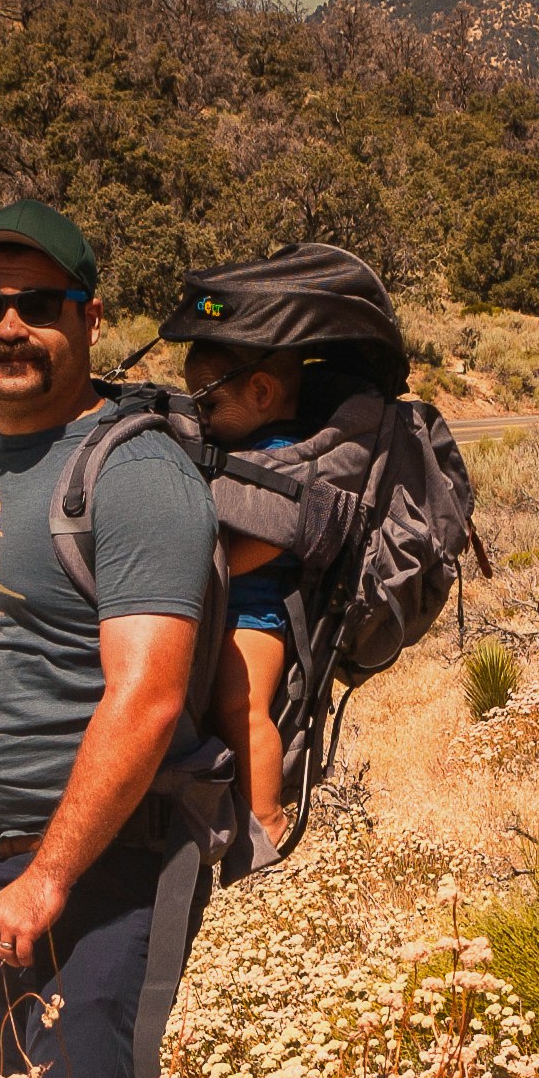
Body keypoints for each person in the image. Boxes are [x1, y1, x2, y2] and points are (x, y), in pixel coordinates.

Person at [0, 199, 218, 1078]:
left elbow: (149, 695)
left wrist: (50, 876)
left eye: (39, 302)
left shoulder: (134, 478)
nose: (9, 327)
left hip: (102, 871)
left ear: (90, 319)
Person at [181, 338, 310, 853]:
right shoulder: (236, 451)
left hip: (255, 614)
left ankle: (268, 818)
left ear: (260, 391)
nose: (201, 417)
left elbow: (276, 535)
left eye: (209, 403)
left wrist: (217, 566)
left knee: (242, 706)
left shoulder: (282, 456)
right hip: (221, 609)